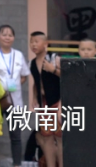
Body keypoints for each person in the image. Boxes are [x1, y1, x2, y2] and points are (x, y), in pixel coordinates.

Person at [0, 25, 29, 164]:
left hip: (15, 101)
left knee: (16, 137)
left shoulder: (18, 54)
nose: (7, 37)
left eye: (10, 35)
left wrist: (13, 86)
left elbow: (24, 76)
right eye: (4, 34)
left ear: (13, 38)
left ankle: (16, 164)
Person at [28, 32, 61, 167]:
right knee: (46, 137)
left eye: (37, 41)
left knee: (59, 138)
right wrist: (34, 97)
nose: (34, 44)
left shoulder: (54, 58)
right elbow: (37, 82)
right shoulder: (32, 63)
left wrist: (53, 70)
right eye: (31, 42)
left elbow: (68, 78)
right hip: (44, 104)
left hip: (57, 103)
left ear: (46, 44)